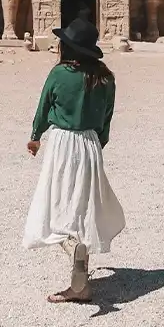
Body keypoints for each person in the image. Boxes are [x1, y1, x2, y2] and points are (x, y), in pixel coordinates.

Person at [23, 16, 126, 303]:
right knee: (83, 207)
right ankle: (80, 284)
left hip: (62, 142)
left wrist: (35, 136)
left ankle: (71, 247)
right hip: (90, 143)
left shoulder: (59, 74)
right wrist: (97, 144)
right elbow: (106, 119)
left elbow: (44, 107)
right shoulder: (105, 78)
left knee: (56, 204)